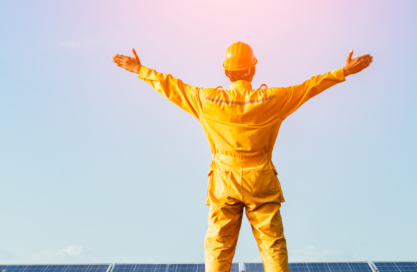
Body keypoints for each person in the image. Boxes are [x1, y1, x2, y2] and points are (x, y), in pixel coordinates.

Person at [112, 42, 373, 272]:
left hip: (224, 183)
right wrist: (343, 72)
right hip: (261, 181)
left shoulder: (206, 100)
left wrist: (139, 70)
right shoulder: (273, 98)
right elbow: (309, 87)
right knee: (272, 247)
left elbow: (171, 86)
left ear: (226, 71)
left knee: (218, 248)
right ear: (253, 69)